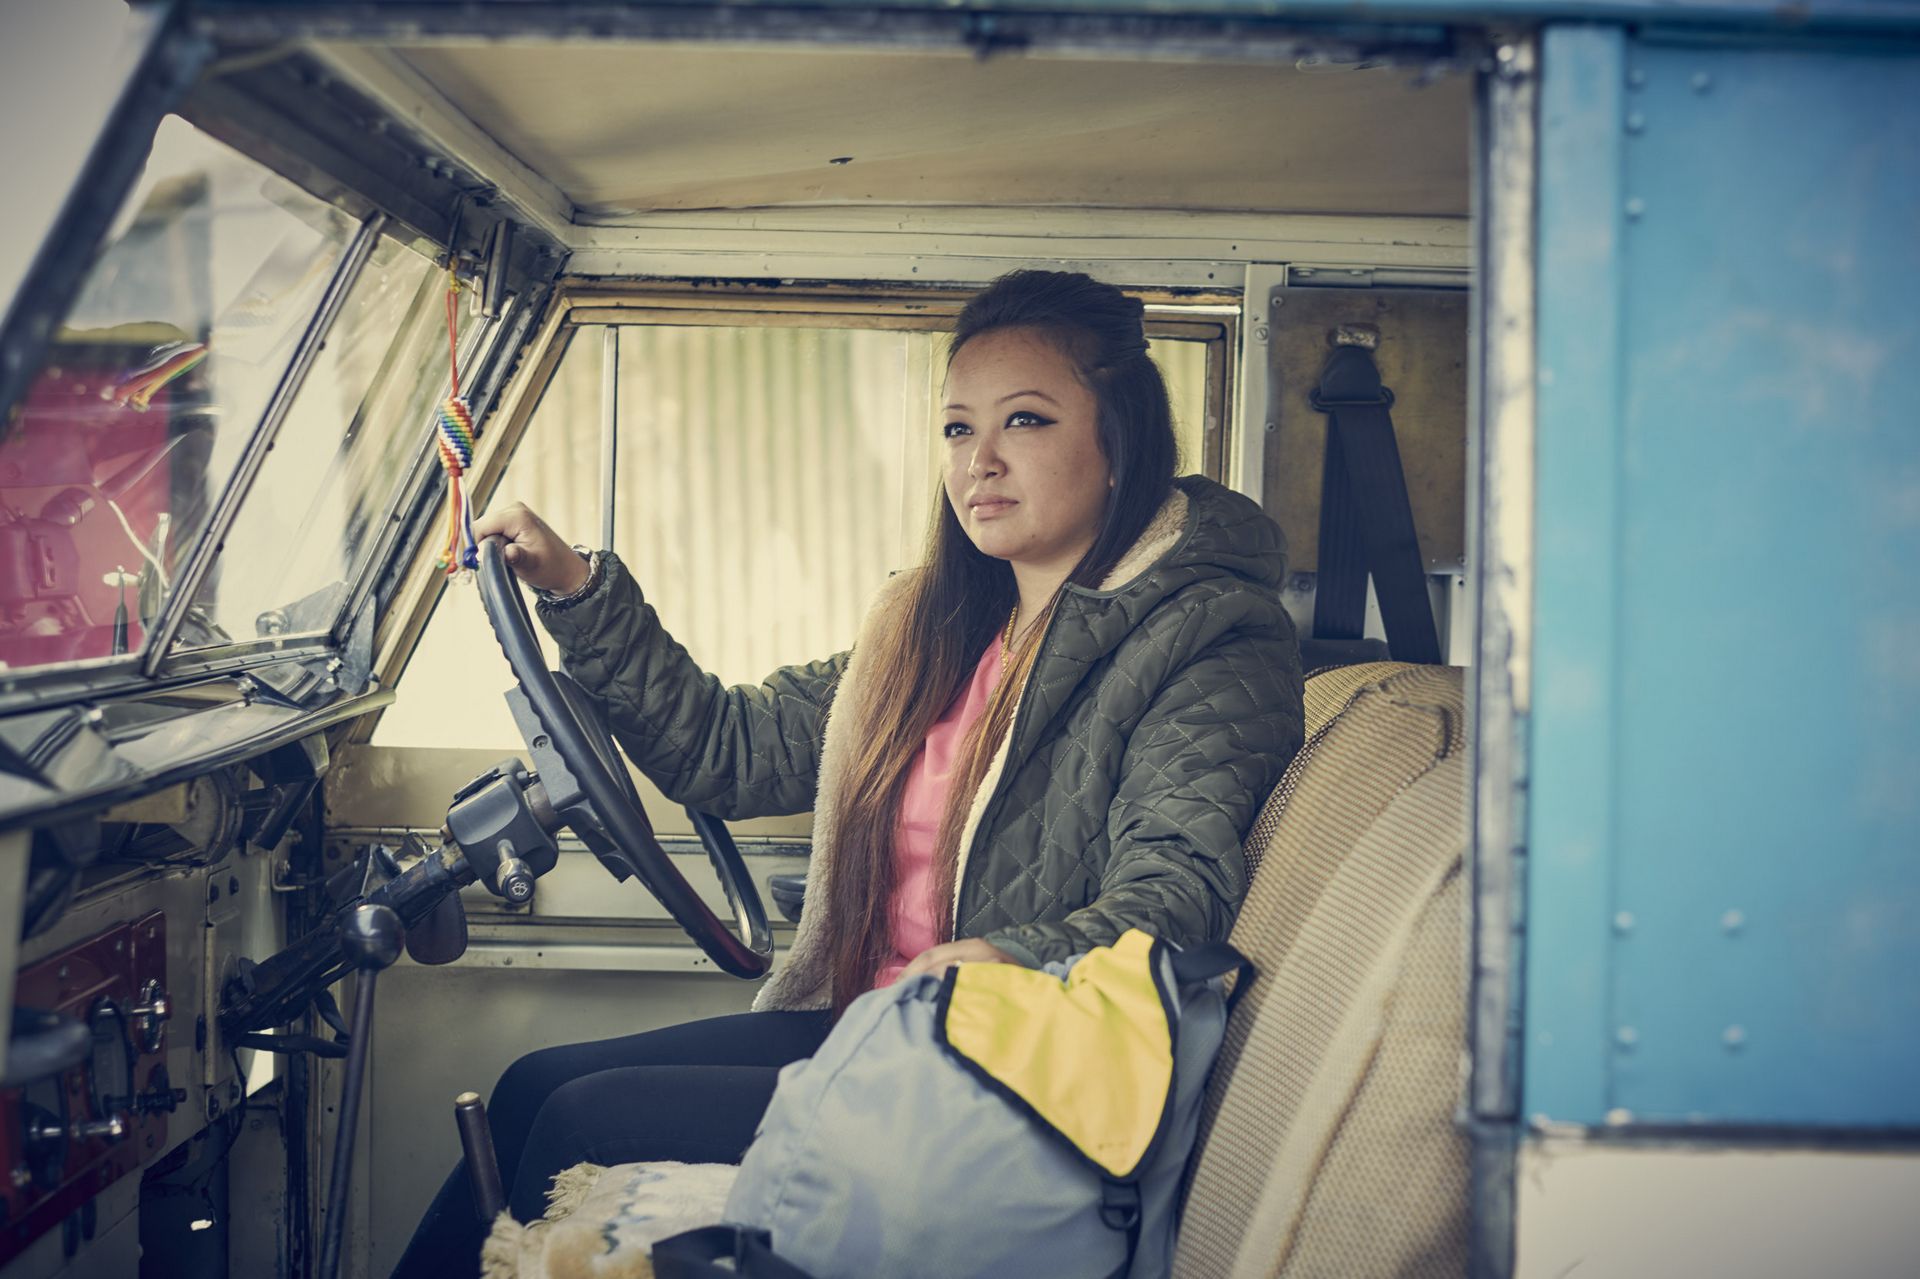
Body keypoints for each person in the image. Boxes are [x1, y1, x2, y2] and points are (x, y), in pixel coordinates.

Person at [389, 269, 1303, 1275]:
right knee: (526, 1087)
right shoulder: (932, 624)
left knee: (577, 1118)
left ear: (1119, 441)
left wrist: (1000, 958)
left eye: (1026, 421)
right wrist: (577, 591)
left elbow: (1175, 898)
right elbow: (727, 752)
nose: (981, 462)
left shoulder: (1208, 636)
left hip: (984, 1074)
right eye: (958, 429)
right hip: (870, 1028)